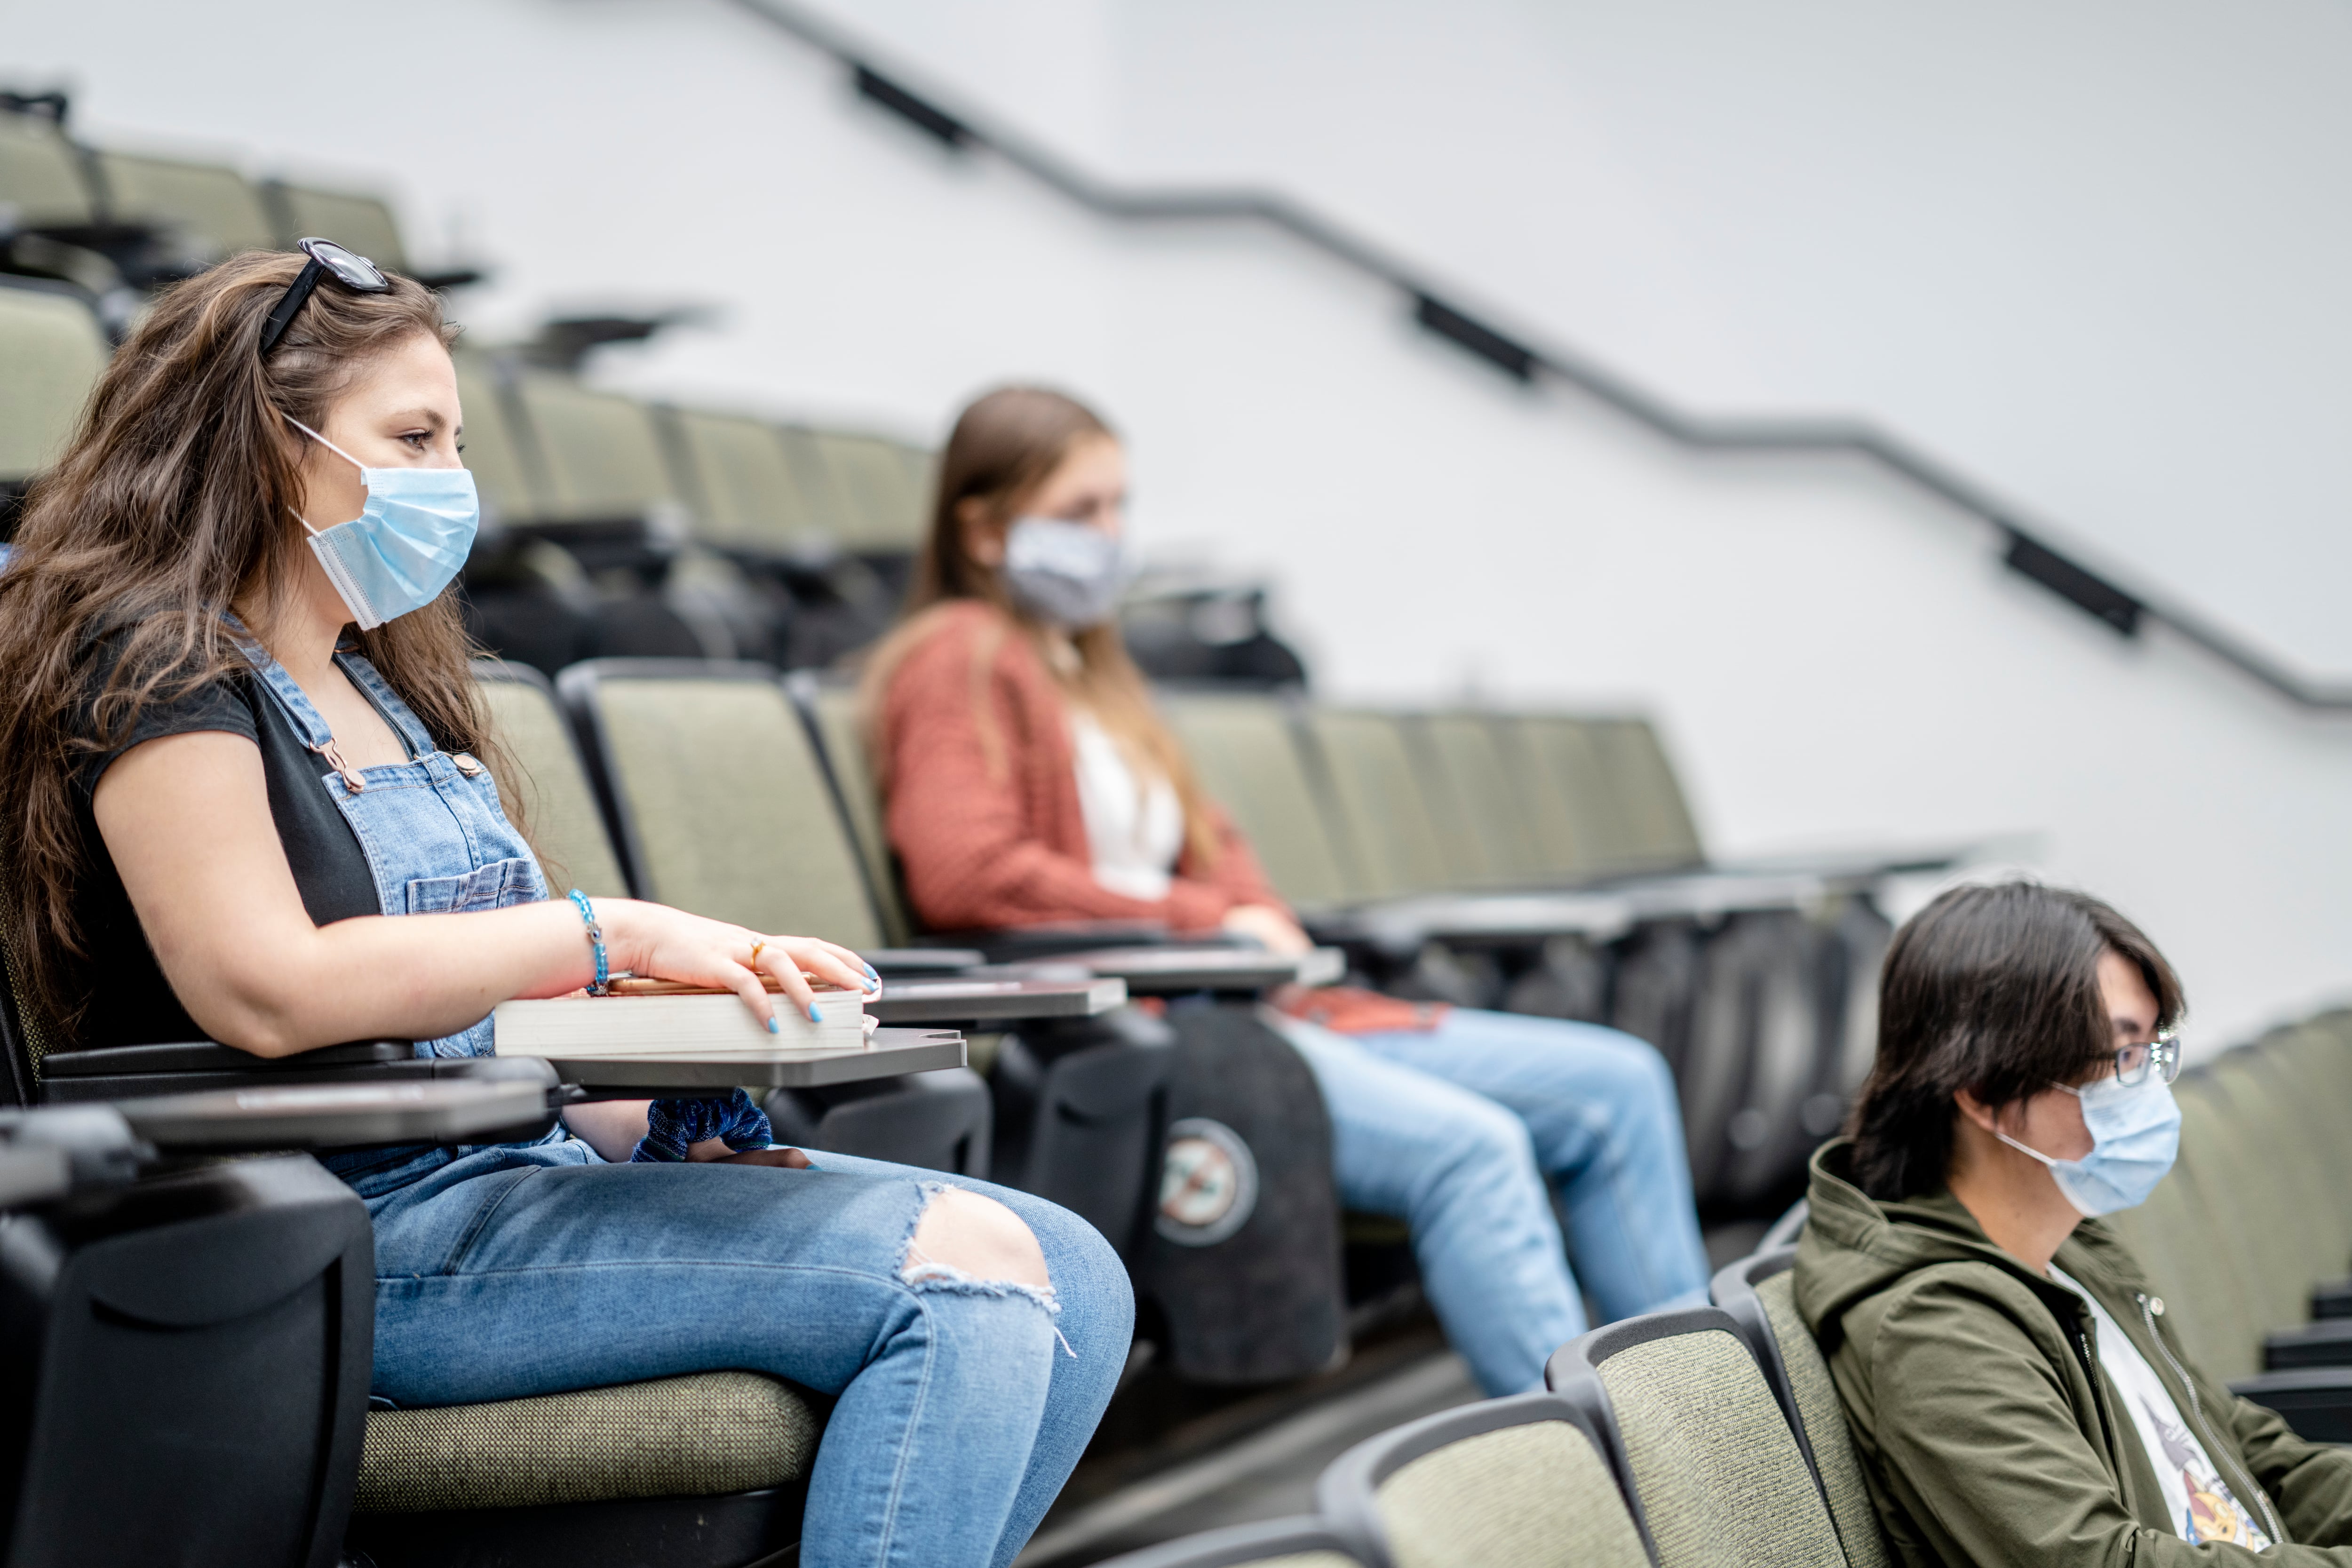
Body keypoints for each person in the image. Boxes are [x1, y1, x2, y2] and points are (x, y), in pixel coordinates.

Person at [0, 249, 1128, 1568]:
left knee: (1079, 1273)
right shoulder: (156, 666)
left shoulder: (388, 687)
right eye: (412, 438)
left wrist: (662, 1113)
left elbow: (501, 1024)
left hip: (517, 1178)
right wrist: (614, 932)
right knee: (969, 1273)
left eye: (457, 442)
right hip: (339, 1235)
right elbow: (262, 985)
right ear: (270, 442)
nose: (450, 478)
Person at [862, 385, 1710, 1396]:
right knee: (1474, 1151)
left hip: (1257, 1001)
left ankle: (1700, 1418)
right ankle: (1590, 1459)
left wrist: (1245, 913)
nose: (1111, 534)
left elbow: (1213, 844)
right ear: (984, 530)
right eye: (1081, 510)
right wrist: (1209, 922)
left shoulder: (1092, 672)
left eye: (1119, 505)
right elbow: (966, 872)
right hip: (1161, 1027)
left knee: (1619, 1085)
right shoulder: (955, 656)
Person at [1795, 881, 2352, 1565]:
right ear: (1985, 1092)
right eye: (2123, 1058)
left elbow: (2247, 1455)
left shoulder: (2070, 1251)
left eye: (2154, 1051)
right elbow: (2101, 1562)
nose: (2152, 1090)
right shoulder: (1935, 1331)